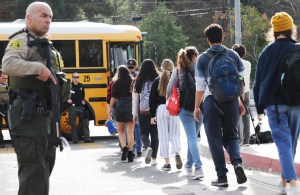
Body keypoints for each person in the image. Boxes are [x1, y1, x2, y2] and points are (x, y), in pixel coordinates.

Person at [2, 2, 64, 194]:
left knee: (43, 168)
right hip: (29, 117)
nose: (48, 20)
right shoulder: (22, 40)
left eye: (50, 17)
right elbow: (8, 64)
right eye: (43, 16)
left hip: (44, 116)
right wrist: (37, 68)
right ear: (29, 18)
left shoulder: (45, 42)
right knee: (34, 174)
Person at [194, 23, 247, 187]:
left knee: (214, 139)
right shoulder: (233, 55)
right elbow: (240, 81)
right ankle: (237, 163)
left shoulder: (202, 58)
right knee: (232, 136)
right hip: (231, 100)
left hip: (212, 102)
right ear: (223, 37)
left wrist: (197, 107)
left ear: (207, 39)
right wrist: (240, 101)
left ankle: (222, 177)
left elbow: (200, 87)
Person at [253, 12, 299, 194]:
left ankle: (293, 185)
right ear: (290, 29)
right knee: (290, 144)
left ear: (274, 30)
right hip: (296, 103)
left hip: (275, 105)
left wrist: (259, 107)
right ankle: (283, 183)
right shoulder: (298, 48)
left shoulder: (267, 52)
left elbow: (258, 82)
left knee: (284, 144)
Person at [167, 47, 204, 179]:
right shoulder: (201, 69)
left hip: (185, 109)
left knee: (191, 138)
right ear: (195, 56)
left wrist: (169, 104)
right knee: (192, 137)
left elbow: (169, 90)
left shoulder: (178, 71)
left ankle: (197, 167)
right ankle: (189, 165)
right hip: (200, 109)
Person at [150, 59, 182, 171]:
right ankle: (177, 153)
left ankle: (167, 163)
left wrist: (152, 115)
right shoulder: (176, 79)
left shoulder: (157, 80)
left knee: (163, 136)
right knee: (175, 134)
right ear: (172, 67)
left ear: (162, 67)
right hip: (173, 108)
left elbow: (152, 99)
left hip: (161, 109)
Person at [132, 59, 159, 165]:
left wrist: (134, 114)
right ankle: (154, 160)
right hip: (156, 111)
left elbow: (135, 100)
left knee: (143, 133)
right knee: (155, 135)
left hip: (143, 111)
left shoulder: (137, 81)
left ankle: (148, 148)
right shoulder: (158, 79)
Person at [109, 65, 135, 162]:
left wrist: (110, 108)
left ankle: (124, 147)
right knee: (130, 132)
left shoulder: (116, 82)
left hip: (120, 107)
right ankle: (131, 153)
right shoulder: (133, 81)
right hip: (131, 107)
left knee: (120, 131)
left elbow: (113, 97)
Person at [232, 44, 251, 146]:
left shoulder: (234, 64)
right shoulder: (248, 63)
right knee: (246, 116)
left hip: (237, 92)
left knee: (237, 115)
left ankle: (238, 139)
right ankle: (246, 140)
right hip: (247, 91)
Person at [67, 72, 94, 144]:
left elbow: (83, 95)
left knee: (85, 121)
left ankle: (87, 138)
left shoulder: (81, 86)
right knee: (73, 123)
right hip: (73, 107)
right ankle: (75, 139)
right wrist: (68, 100)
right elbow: (65, 95)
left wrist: (83, 101)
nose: (76, 79)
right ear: (72, 78)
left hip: (80, 107)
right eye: (75, 77)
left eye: (77, 77)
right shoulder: (69, 86)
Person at [126, 59, 142, 157]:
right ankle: (138, 148)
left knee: (129, 128)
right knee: (136, 127)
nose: (131, 69)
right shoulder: (138, 77)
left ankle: (131, 148)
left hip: (127, 104)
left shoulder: (122, 76)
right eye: (130, 67)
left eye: (131, 67)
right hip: (135, 104)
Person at [0, 72, 10, 148]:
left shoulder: (7, 86)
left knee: (10, 125)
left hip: (6, 108)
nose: (4, 79)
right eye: (2, 78)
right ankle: (1, 142)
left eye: (4, 78)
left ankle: (15, 142)